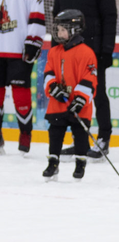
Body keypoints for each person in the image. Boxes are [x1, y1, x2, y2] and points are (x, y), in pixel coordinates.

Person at [53, 0, 118, 159]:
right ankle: (79, 140)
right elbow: (56, 18)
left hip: (93, 52)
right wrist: (55, 49)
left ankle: (103, 138)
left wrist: (107, 50)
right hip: (67, 54)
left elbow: (110, 19)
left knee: (97, 94)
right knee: (73, 95)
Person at [0, 0, 44, 156]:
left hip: (18, 50)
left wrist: (32, 42)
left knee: (21, 95)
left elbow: (36, 14)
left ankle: (25, 133)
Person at [41, 9, 96, 180]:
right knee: (55, 132)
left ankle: (80, 164)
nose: (58, 33)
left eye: (62, 30)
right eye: (57, 30)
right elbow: (48, 73)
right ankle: (53, 162)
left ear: (74, 30)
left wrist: (80, 98)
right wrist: (52, 87)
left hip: (79, 105)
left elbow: (90, 78)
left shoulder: (87, 53)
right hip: (59, 103)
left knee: (80, 134)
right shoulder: (54, 52)